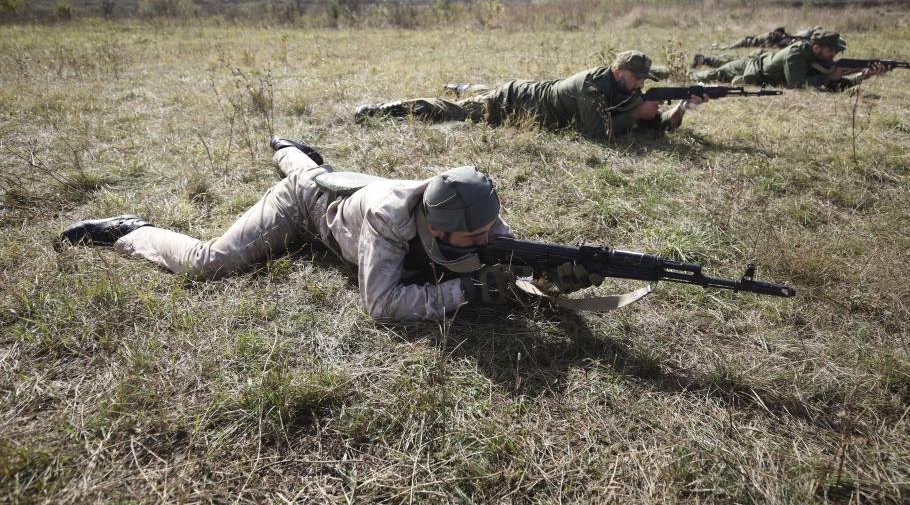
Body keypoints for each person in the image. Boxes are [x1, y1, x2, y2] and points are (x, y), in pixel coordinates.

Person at [56, 137, 601, 322]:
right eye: (476, 240)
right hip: (305, 209)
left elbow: (506, 266)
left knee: (314, 168)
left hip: (348, 185)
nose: (489, 243)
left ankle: (291, 150)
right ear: (434, 224)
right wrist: (464, 291)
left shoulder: (475, 217)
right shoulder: (393, 220)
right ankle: (128, 231)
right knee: (209, 262)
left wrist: (554, 279)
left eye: (489, 233)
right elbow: (382, 304)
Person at [354, 51, 702, 141]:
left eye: (644, 80)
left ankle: (465, 85)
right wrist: (636, 115)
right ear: (617, 72)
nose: (640, 84)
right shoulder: (593, 86)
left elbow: (659, 125)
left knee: (475, 95)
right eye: (636, 78)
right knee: (455, 112)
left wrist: (681, 107)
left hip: (534, 92)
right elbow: (598, 134)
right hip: (515, 103)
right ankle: (382, 110)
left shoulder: (624, 90)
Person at [690, 29, 889, 90]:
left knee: (720, 64)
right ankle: (667, 71)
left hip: (760, 61)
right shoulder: (796, 54)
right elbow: (796, 83)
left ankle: (706, 59)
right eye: (831, 52)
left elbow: (833, 84)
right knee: (709, 75)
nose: (834, 56)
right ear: (817, 47)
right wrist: (829, 77)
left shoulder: (817, 58)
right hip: (752, 67)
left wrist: (865, 74)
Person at [713, 26, 794, 50]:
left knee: (729, 45)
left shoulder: (774, 36)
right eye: (780, 34)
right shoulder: (768, 36)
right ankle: (716, 47)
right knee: (729, 48)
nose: (781, 36)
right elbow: (769, 47)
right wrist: (782, 44)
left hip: (748, 41)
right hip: (745, 42)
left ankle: (717, 45)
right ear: (776, 33)